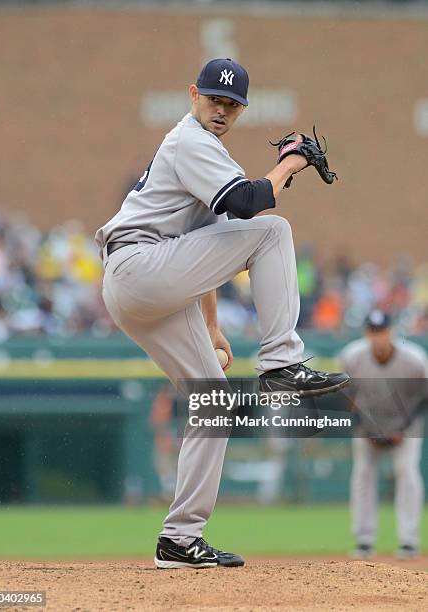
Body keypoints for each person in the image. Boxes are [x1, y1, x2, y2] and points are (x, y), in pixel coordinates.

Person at [96, 58, 349, 569]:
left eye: (232, 105)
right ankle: (281, 361)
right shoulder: (190, 140)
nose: (222, 110)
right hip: (141, 265)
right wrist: (293, 161)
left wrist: (212, 325)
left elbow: (204, 237)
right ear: (193, 95)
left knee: (213, 400)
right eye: (215, 99)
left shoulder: (205, 151)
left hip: (145, 280)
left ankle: (179, 539)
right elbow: (247, 203)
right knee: (273, 231)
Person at [339, 310, 427, 560]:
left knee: (407, 472)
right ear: (367, 333)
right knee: (363, 475)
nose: (378, 337)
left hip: (406, 427)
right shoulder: (352, 357)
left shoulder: (414, 359)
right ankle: (364, 541)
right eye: (373, 331)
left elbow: (424, 399)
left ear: (391, 332)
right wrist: (365, 429)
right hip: (368, 426)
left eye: (382, 331)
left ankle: (409, 541)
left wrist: (403, 429)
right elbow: (345, 396)